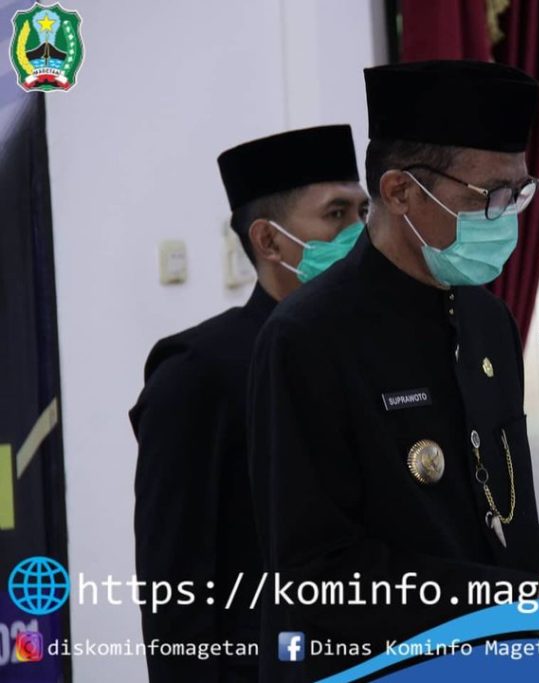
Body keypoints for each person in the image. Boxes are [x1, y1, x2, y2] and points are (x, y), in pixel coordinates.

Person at [248, 61, 539, 682]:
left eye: (519, 193)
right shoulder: (308, 336)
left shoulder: (488, 319)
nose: (506, 216)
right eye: (489, 196)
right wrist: (518, 599)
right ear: (400, 192)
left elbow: (496, 518)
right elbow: (318, 574)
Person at [130, 125, 368, 682]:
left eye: (364, 212)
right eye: (336, 214)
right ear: (269, 241)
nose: (360, 233)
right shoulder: (199, 371)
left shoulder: (374, 349)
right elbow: (176, 589)